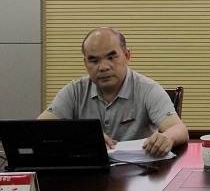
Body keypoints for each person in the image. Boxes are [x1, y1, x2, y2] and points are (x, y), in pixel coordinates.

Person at [38, 27, 189, 158]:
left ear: (127, 56)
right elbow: (37, 130)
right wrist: (82, 136)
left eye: (111, 57)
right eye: (94, 61)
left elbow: (179, 129)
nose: (103, 67)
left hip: (138, 173)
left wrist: (167, 137)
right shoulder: (75, 91)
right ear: (85, 63)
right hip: (89, 173)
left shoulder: (147, 89)